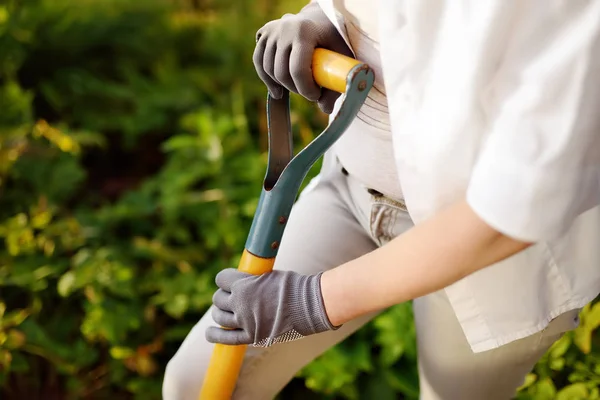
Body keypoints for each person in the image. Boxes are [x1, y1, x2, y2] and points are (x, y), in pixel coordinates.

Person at [163, 0, 600, 399]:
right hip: (351, 192)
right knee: (193, 384)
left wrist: (314, 300)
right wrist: (323, 19)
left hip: (485, 255)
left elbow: (515, 209)